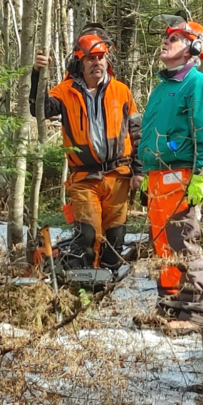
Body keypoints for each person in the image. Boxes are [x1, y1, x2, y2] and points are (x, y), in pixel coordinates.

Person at [30, 27, 142, 272]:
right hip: (83, 177)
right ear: (79, 61)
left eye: (101, 58)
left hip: (118, 175)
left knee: (115, 237)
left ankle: (108, 282)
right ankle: (86, 283)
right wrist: (38, 74)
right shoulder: (65, 91)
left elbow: (137, 133)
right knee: (89, 234)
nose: (97, 63)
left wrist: (139, 170)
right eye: (91, 58)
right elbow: (39, 110)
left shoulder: (121, 91)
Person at [137, 19, 203, 331]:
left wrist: (201, 174)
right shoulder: (161, 88)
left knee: (183, 240)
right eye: (167, 36)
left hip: (182, 174)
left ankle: (195, 311)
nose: (166, 41)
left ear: (194, 47)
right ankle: (170, 302)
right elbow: (150, 135)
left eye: (175, 38)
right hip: (158, 176)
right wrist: (147, 172)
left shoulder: (197, 84)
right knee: (161, 243)